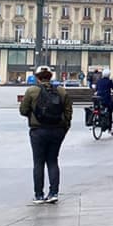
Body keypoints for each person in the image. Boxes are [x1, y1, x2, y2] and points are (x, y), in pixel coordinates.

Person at [19, 65, 72, 204]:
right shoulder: (61, 91)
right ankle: (53, 193)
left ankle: (39, 195)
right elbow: (68, 113)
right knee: (53, 161)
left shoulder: (31, 91)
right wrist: (64, 128)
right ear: (51, 76)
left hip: (38, 131)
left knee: (38, 163)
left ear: (37, 77)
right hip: (57, 131)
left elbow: (23, 110)